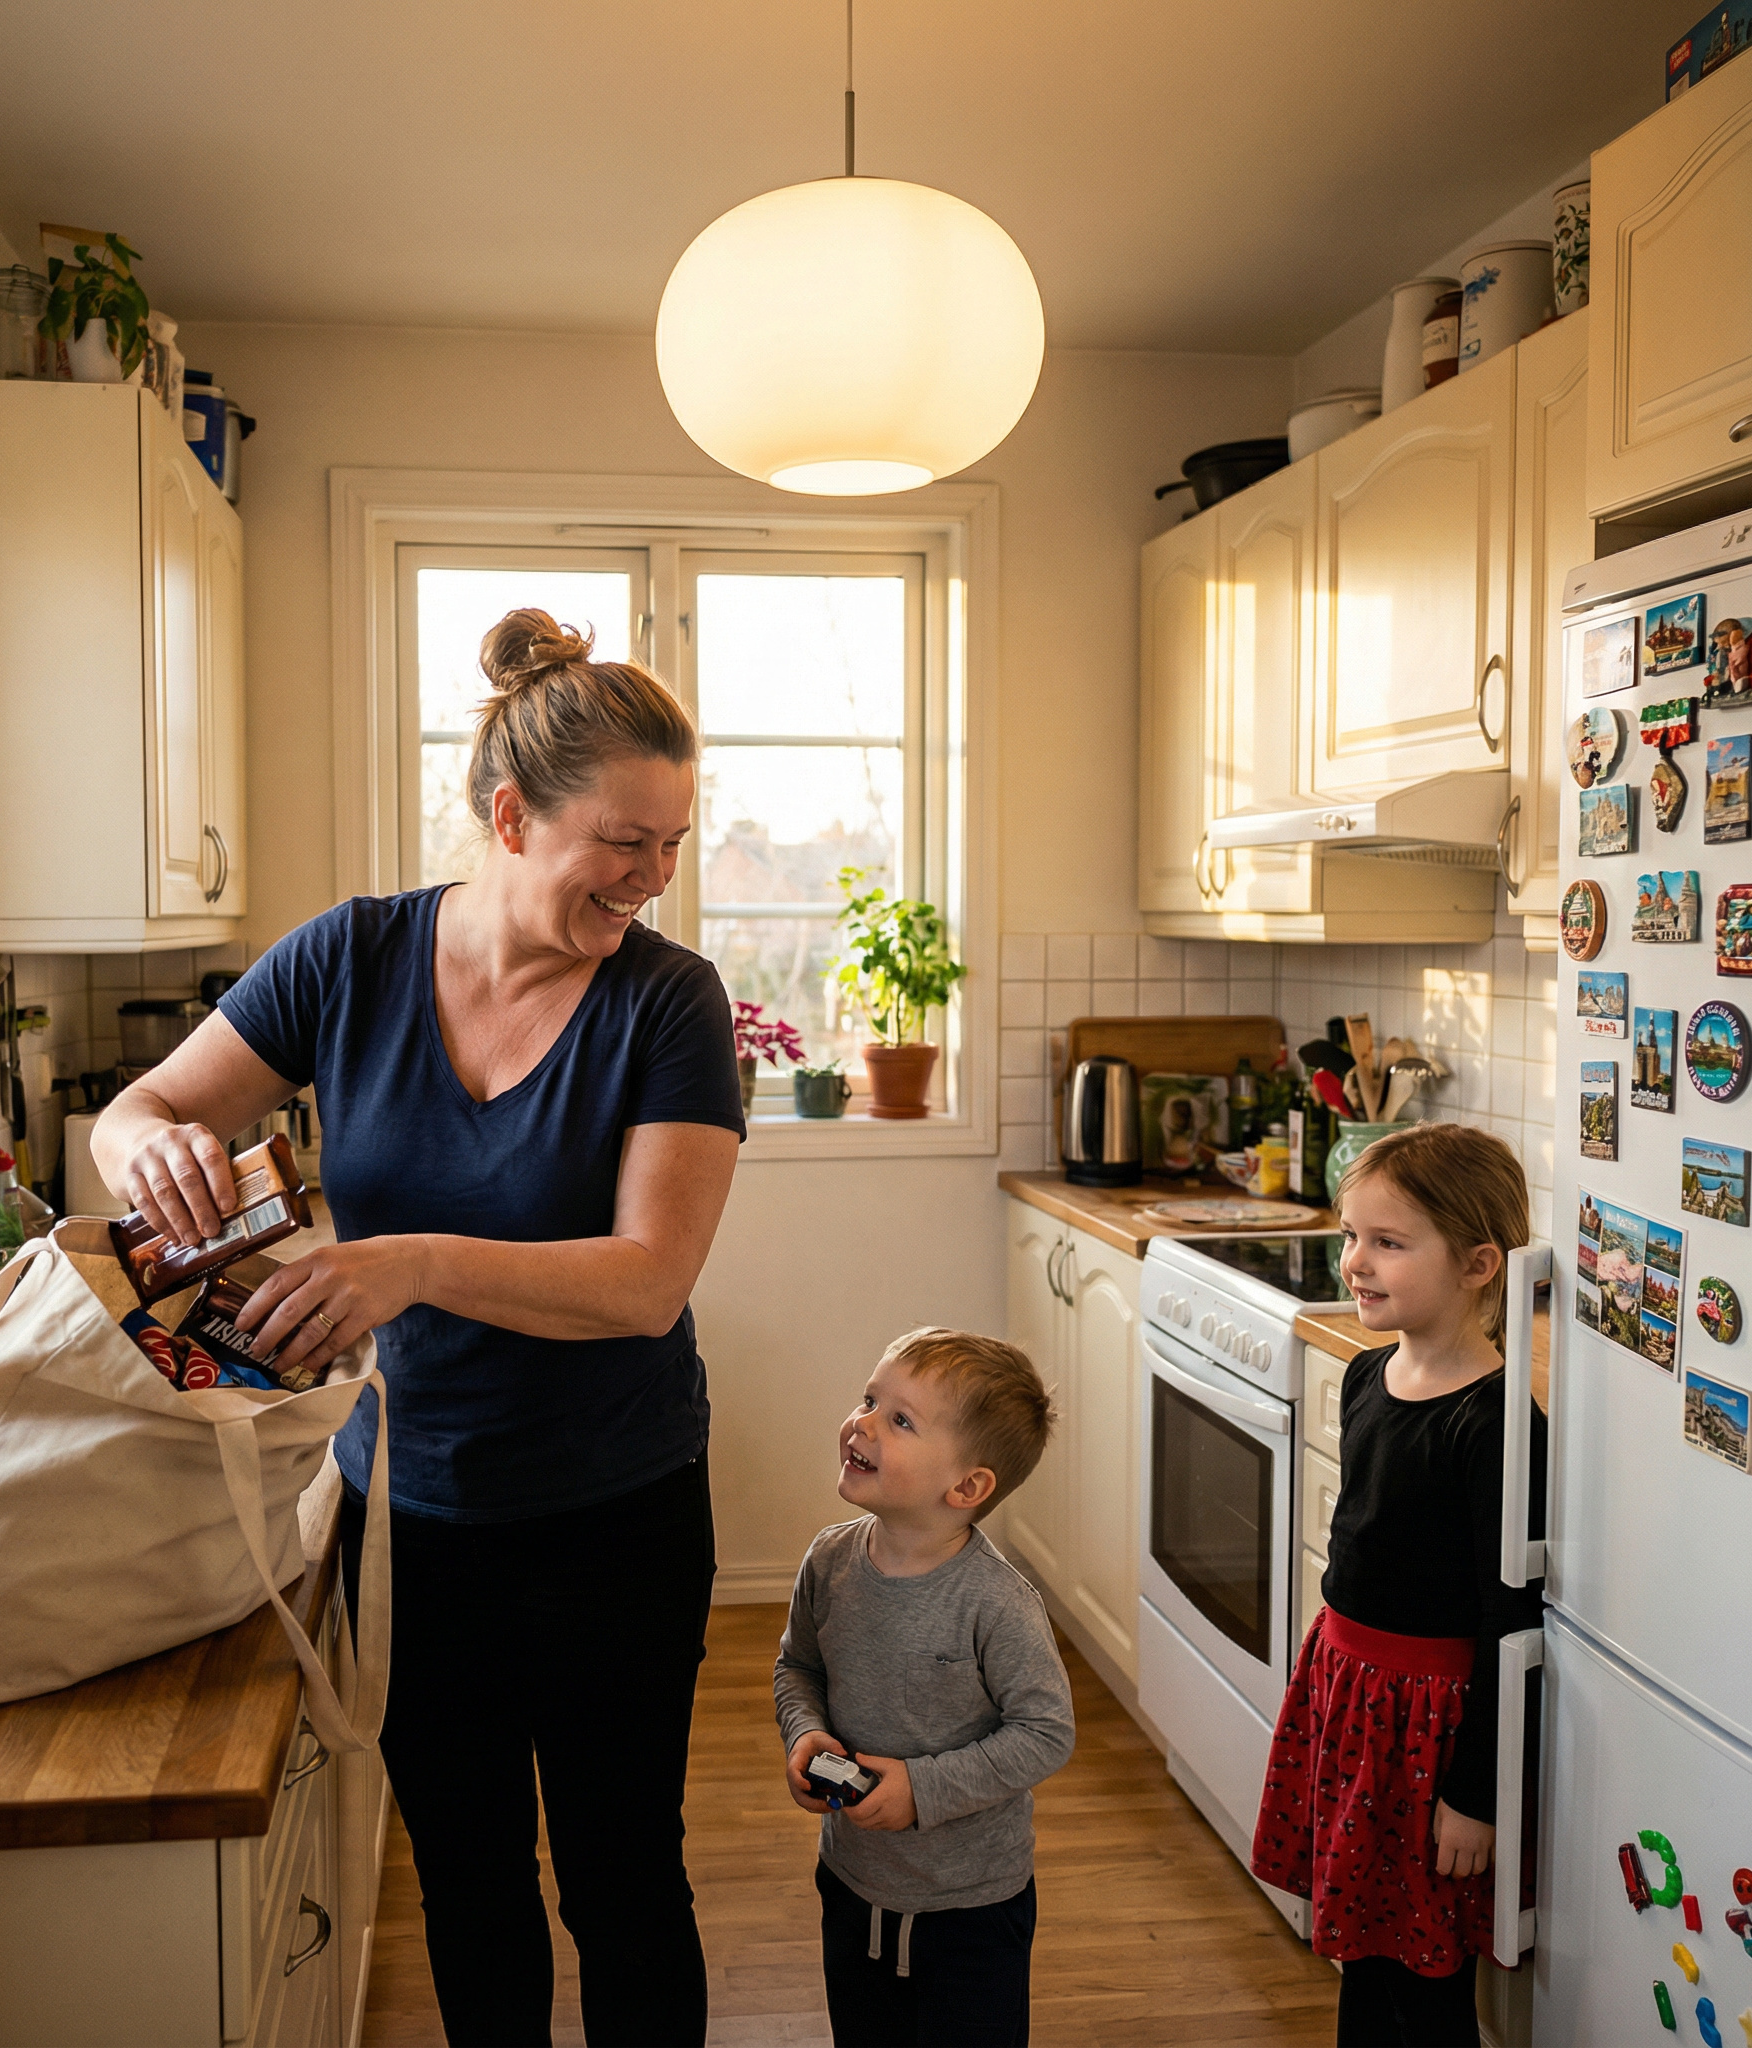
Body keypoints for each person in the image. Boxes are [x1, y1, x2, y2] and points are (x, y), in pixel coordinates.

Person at [92, 609, 745, 2048]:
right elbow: (137, 1112)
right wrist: (146, 1152)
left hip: (616, 1514)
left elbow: (647, 1281)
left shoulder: (669, 1004)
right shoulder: (351, 960)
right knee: (466, 1879)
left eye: (672, 844)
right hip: (415, 1518)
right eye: (621, 840)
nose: (650, 878)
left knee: (624, 1881)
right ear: (511, 816)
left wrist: (414, 1263)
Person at [1250, 1123, 1546, 2048]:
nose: (1355, 1263)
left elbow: (1510, 1623)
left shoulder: (1497, 1424)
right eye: (1350, 1237)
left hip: (1429, 1729)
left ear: (1478, 1264)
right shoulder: (1370, 1371)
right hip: (1351, 1697)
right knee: (1362, 1952)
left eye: (1387, 1242)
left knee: (1424, 1975)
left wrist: (1478, 1795)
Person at [774, 1328, 1076, 2048]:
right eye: (869, 1399)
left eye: (899, 1419)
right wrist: (804, 1732)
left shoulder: (997, 1604)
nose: (863, 1422)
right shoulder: (829, 1561)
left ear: (967, 1486)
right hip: (852, 1877)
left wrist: (923, 1788)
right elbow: (799, 1667)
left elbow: (1046, 1732)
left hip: (970, 1906)